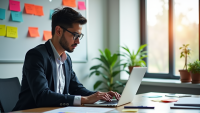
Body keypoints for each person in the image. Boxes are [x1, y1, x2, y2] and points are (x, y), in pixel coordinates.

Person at [13, 7, 121, 111]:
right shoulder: (36, 56)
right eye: (75, 35)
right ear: (59, 31)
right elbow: (42, 96)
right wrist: (85, 99)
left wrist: (100, 95)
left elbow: (77, 89)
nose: (78, 41)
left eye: (80, 36)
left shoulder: (66, 59)